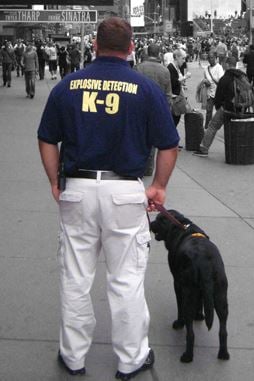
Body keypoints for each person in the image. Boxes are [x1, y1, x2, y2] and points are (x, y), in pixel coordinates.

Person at [37, 17, 179, 380]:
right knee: (126, 279)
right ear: (131, 47)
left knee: (75, 276)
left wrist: (55, 181)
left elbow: (47, 138)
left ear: (95, 46)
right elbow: (168, 144)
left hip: (78, 189)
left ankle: (73, 357)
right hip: (125, 190)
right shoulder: (144, 89)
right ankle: (131, 360)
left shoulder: (67, 86)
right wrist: (159, 186)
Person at [136, 43, 172, 175]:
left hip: (139, 107)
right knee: (151, 139)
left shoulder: (138, 68)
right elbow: (168, 94)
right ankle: (148, 168)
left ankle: (138, 163)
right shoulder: (165, 70)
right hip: (156, 109)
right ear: (159, 54)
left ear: (147, 52)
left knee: (138, 137)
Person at [193, 56, 241, 157]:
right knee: (236, 129)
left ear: (227, 64)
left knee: (212, 126)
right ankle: (240, 149)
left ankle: (204, 149)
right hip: (240, 108)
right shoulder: (242, 76)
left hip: (227, 108)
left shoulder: (225, 78)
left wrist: (220, 107)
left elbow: (218, 97)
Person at [167, 48, 191, 127]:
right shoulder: (170, 68)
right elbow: (173, 83)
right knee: (173, 122)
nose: (184, 61)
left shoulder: (177, 68)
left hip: (178, 100)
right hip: (174, 101)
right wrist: (185, 77)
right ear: (176, 57)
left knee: (175, 121)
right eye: (183, 58)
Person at [203, 50, 224, 129]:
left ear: (215, 58)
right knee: (208, 111)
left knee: (219, 111)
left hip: (218, 93)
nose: (210, 59)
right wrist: (205, 82)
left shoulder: (219, 68)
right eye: (208, 57)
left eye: (212, 57)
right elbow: (205, 79)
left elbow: (221, 82)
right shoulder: (206, 69)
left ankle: (217, 125)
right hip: (210, 93)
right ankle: (207, 127)